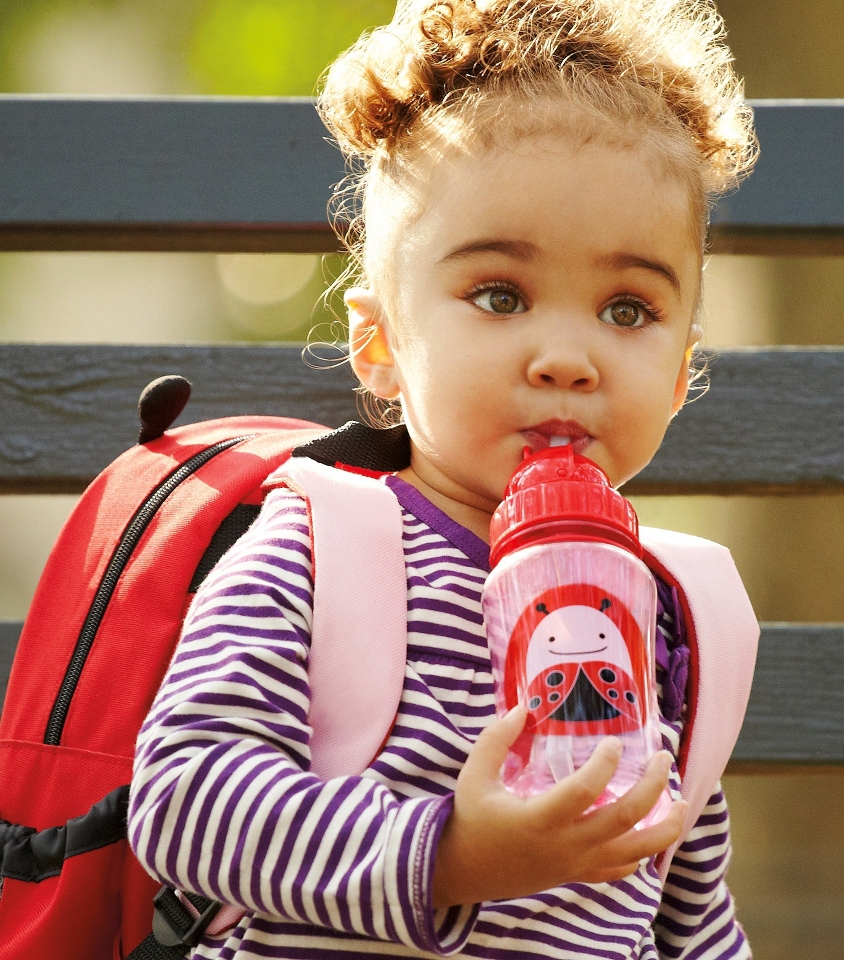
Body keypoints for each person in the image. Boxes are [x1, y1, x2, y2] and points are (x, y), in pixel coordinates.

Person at [128, 0, 758, 956]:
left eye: (628, 309)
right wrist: (449, 856)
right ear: (378, 341)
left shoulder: (677, 620)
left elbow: (693, 925)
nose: (567, 357)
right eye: (499, 296)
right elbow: (184, 803)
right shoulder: (324, 550)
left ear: (681, 374)